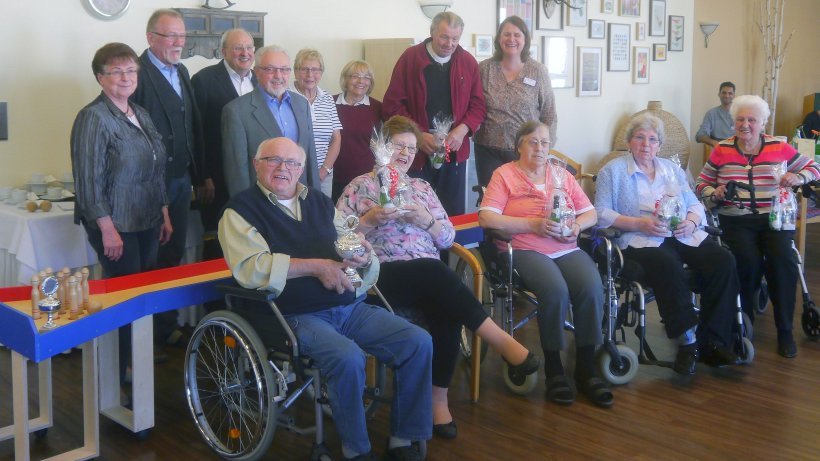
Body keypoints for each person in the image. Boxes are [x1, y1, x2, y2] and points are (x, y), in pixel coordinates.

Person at [218, 137, 431, 461]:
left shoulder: (318, 201)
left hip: (347, 305)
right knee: (347, 357)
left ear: (302, 169)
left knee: (418, 341)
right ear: (256, 164)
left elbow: (344, 243)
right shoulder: (239, 212)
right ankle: (355, 449)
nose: (282, 168)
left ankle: (404, 437)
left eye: (291, 163)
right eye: (273, 160)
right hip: (293, 315)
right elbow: (252, 268)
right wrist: (316, 267)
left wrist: (362, 255)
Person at [337, 115, 540, 438]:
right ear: (382, 147)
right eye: (398, 146)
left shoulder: (422, 187)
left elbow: (447, 239)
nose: (405, 153)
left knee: (445, 305)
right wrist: (370, 219)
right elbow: (340, 243)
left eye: (411, 147)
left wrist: (426, 221)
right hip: (381, 278)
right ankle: (500, 340)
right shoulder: (359, 186)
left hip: (429, 277)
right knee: (435, 272)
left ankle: (438, 404)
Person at [478, 121, 613, 407]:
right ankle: (555, 370)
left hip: (565, 247)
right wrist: (533, 225)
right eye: (532, 142)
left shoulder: (560, 175)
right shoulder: (504, 175)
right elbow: (487, 218)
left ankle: (586, 369)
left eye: (544, 142)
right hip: (525, 248)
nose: (540, 148)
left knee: (591, 287)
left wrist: (577, 227)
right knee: (555, 291)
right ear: (519, 145)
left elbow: (590, 213)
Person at [596, 113, 741, 375]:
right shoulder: (613, 171)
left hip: (682, 233)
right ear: (629, 141)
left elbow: (695, 203)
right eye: (640, 137)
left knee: (723, 261)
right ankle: (688, 343)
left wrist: (693, 221)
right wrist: (638, 223)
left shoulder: (671, 169)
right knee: (668, 264)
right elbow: (600, 214)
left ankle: (715, 340)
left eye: (652, 140)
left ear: (660, 146)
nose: (646, 144)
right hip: (641, 239)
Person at [70, 42, 172, 384]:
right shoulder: (93, 118)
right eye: (116, 72)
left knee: (141, 298)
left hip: (147, 219)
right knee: (123, 301)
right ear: (101, 78)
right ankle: (117, 375)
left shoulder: (139, 113)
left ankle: (134, 365)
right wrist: (106, 229)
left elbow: (156, 168)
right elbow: (88, 181)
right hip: (116, 225)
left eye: (130, 70)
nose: (125, 77)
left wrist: (164, 211)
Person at [696, 95, 820, 358]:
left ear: (762, 123)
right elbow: (700, 183)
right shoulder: (722, 149)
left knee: (784, 260)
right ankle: (745, 321)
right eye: (740, 119)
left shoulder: (778, 146)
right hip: (736, 218)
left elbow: (814, 168)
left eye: (752, 120)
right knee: (746, 260)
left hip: (774, 218)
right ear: (734, 122)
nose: (745, 125)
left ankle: (784, 329)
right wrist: (713, 191)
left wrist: (797, 176)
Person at [131, 8, 207, 352]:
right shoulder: (137, 74)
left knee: (172, 255)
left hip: (180, 180)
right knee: (150, 259)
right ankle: (146, 340)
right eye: (170, 36)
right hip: (149, 185)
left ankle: (166, 326)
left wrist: (200, 173)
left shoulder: (183, 71)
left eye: (181, 36)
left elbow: (192, 126)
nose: (178, 42)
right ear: (150, 38)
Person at [382, 11, 486, 216]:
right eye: (444, 36)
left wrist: (462, 130)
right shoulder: (411, 58)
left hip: (454, 150)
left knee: (452, 211)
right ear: (432, 33)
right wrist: (418, 136)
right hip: (414, 151)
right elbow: (392, 106)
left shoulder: (468, 62)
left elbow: (478, 106)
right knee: (415, 209)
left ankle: (451, 249)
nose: (449, 43)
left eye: (455, 38)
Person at [222, 45, 318, 198]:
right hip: (262, 201)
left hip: (300, 197)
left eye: (285, 69)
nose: (278, 76)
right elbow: (237, 171)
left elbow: (311, 157)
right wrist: (246, 209)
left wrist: (315, 198)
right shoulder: (236, 111)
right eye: (270, 69)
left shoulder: (302, 104)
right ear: (257, 72)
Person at [473, 15, 557, 187]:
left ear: (525, 39)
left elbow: (549, 113)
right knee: (490, 200)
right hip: (488, 150)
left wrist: (545, 147)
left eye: (517, 35)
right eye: (506, 34)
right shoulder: (484, 69)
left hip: (525, 150)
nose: (511, 39)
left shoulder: (538, 71)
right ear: (499, 38)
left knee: (522, 201)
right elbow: (473, 105)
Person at [191, 28, 256, 233]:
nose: (244, 53)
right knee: (219, 235)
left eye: (248, 47)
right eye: (238, 48)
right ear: (224, 51)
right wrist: (203, 176)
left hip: (255, 176)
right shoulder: (203, 80)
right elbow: (196, 131)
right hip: (217, 179)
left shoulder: (261, 80)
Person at [292, 49, 342, 198]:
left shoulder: (327, 98)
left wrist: (324, 170)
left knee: (321, 215)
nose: (310, 75)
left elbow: (336, 139)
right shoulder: (286, 97)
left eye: (315, 70)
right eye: (304, 69)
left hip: (324, 175)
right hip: (293, 174)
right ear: (295, 71)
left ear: (321, 73)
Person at [333, 60, 383, 202]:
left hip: (366, 179)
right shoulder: (329, 103)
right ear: (345, 79)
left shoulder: (379, 108)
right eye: (355, 76)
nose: (361, 81)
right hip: (332, 176)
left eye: (366, 77)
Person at [696, 81, 736, 148]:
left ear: (734, 95)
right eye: (724, 93)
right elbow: (700, 136)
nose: (727, 96)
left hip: (737, 150)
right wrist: (714, 142)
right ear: (719, 94)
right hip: (718, 149)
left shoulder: (740, 113)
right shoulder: (711, 114)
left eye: (730, 93)